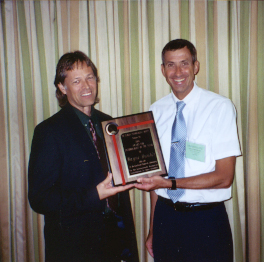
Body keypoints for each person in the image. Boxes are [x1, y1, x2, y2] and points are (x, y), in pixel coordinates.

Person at [135, 39, 241, 261]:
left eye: (184, 63)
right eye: (170, 65)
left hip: (206, 220)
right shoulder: (155, 110)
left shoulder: (220, 107)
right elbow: (157, 178)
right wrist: (153, 229)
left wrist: (169, 183)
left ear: (196, 66)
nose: (178, 72)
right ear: (163, 70)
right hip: (166, 219)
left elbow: (224, 177)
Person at [28, 51, 139, 262]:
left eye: (90, 77)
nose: (86, 86)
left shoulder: (111, 124)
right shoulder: (49, 131)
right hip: (74, 246)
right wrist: (94, 194)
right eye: (76, 81)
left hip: (116, 240)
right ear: (62, 87)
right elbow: (39, 199)